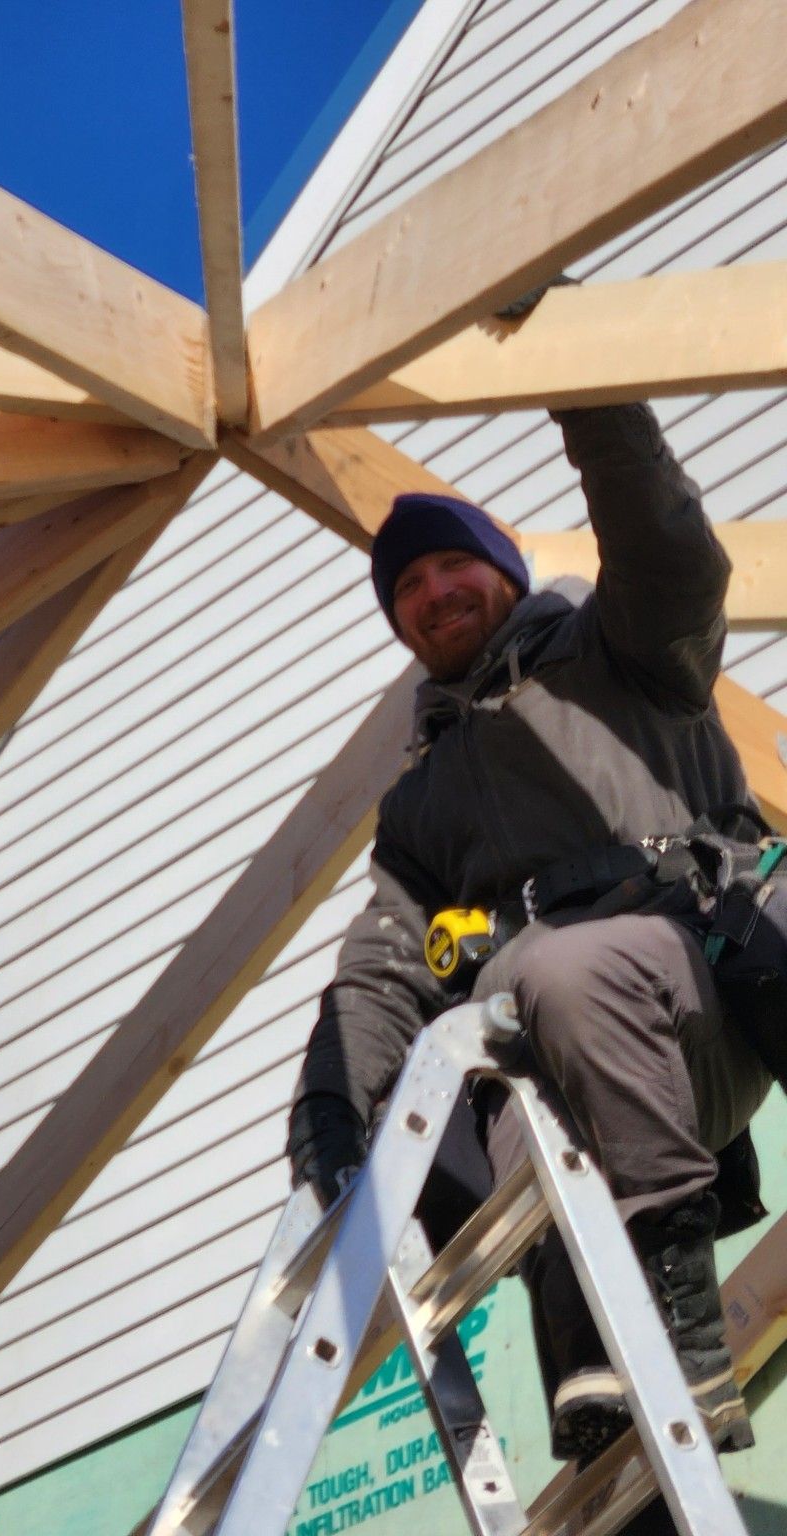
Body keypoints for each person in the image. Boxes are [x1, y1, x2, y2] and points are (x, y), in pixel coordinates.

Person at [285, 402, 774, 1463]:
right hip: (566, 1063)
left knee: (555, 969)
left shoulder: (620, 651)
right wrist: (327, 1108)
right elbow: (381, 968)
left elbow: (669, 554)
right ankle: (600, 1396)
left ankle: (678, 1306)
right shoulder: (418, 807)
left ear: (504, 572)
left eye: (450, 565)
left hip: (692, 999)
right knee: (483, 1129)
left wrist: (593, 406)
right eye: (407, 589)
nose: (431, 593)